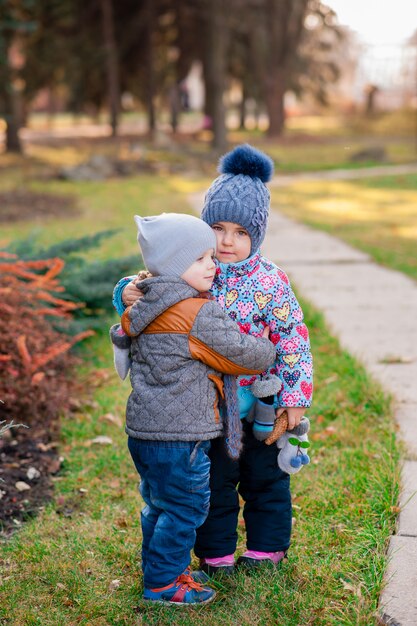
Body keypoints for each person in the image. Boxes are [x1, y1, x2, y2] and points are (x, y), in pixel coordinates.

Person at [112, 144, 313, 576]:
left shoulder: (270, 281)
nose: (226, 241)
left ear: (256, 235)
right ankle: (216, 553)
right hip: (206, 408)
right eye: (218, 227)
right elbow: (151, 280)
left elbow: (292, 337)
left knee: (266, 480)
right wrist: (125, 290)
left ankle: (267, 548)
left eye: (241, 232)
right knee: (213, 483)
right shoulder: (195, 267)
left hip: (261, 404)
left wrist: (294, 397)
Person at [110, 212, 276, 605]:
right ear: (174, 265)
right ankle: (164, 584)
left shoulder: (145, 303)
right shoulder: (196, 312)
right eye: (201, 258)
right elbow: (242, 355)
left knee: (159, 505)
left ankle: (163, 569)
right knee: (185, 509)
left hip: (145, 434)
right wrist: (267, 345)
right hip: (181, 437)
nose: (212, 263)